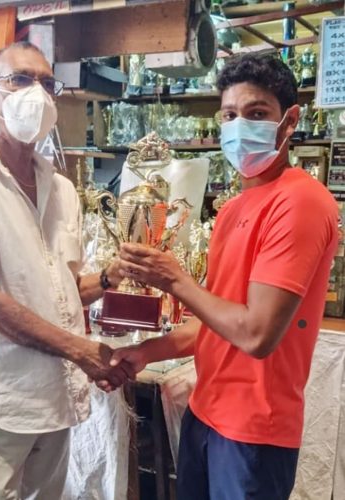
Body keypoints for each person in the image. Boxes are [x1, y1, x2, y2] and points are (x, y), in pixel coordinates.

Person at [103, 53, 339, 499]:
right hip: (206, 412)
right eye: (230, 115)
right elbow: (218, 320)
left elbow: (255, 333)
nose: (239, 127)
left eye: (256, 114)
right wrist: (148, 351)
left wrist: (176, 281)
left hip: (254, 430)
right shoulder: (232, 208)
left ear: (290, 121)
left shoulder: (301, 202)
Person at [0, 41, 133, 499]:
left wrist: (113, 275)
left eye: (45, 83)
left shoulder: (61, 189)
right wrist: (79, 349)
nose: (35, 93)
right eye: (19, 79)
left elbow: (61, 292)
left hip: (54, 396)